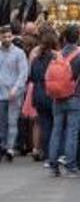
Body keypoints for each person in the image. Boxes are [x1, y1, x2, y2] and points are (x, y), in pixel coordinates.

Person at [47, 26, 80, 176]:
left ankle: (53, 165)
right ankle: (71, 165)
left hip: (57, 97)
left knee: (56, 130)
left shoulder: (57, 55)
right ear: (77, 37)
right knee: (72, 131)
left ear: (65, 38)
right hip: (74, 97)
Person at [29, 30, 58, 163]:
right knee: (56, 124)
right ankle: (54, 154)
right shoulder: (56, 58)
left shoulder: (36, 59)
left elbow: (32, 77)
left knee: (44, 124)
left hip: (38, 93)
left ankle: (46, 153)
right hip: (52, 93)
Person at [0, 25, 28, 160]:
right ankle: (3, 145)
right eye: (4, 36)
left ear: (12, 36)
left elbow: (23, 73)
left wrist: (16, 89)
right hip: (1, 92)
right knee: (1, 121)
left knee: (12, 121)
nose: (7, 39)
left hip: (14, 92)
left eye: (9, 36)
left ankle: (10, 148)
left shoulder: (19, 53)